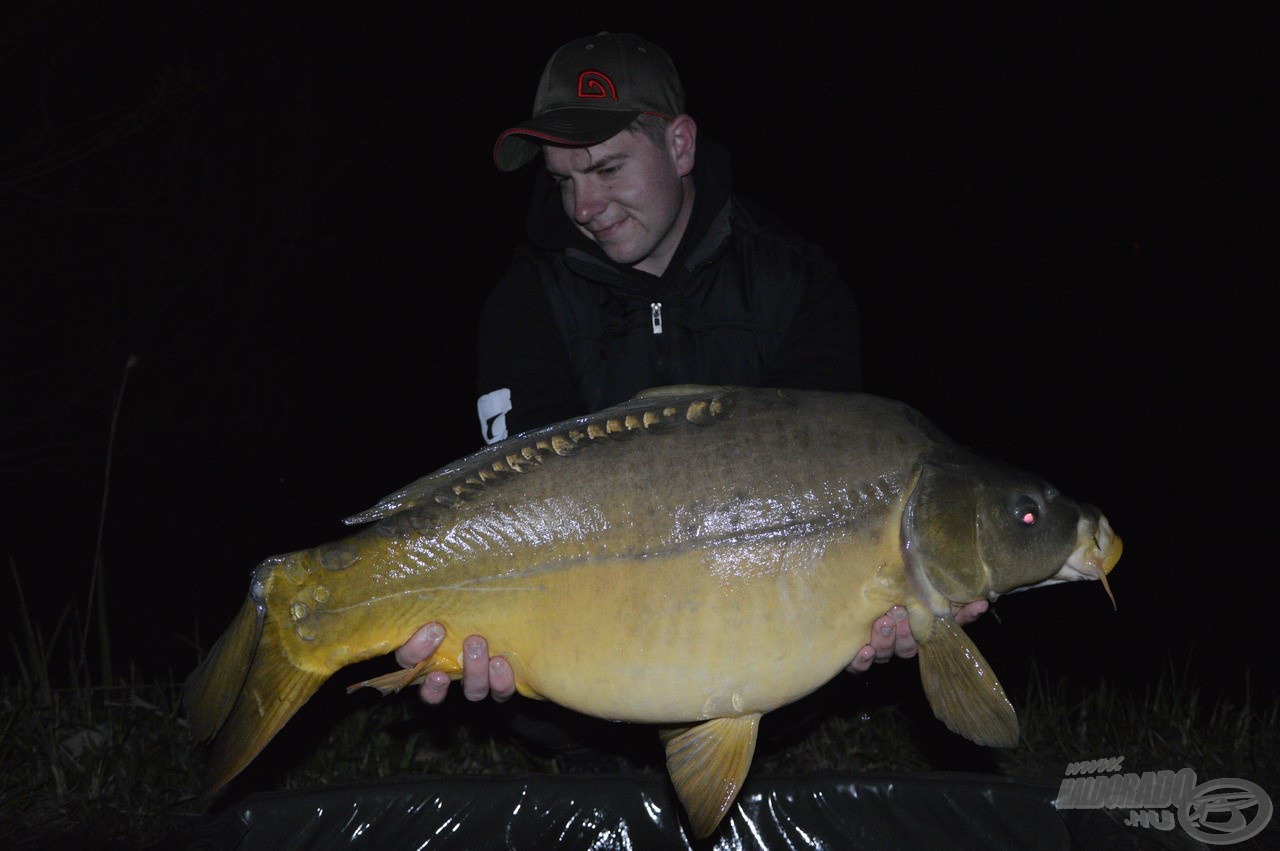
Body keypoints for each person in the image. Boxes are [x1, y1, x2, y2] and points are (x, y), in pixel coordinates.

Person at [400, 32, 986, 707]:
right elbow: (512, 492)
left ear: (680, 145)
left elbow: (833, 504)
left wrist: (884, 600)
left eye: (608, 169)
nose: (582, 208)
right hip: (571, 706)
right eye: (563, 180)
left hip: (765, 703)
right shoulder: (525, 301)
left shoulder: (797, 284)